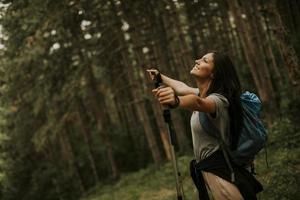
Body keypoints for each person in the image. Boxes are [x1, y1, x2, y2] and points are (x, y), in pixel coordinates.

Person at [147, 51, 263, 200]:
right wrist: (160, 76)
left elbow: (199, 103)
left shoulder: (219, 100)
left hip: (223, 174)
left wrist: (176, 102)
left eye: (204, 61)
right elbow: (182, 88)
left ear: (213, 74)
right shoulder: (203, 93)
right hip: (214, 172)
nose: (197, 60)